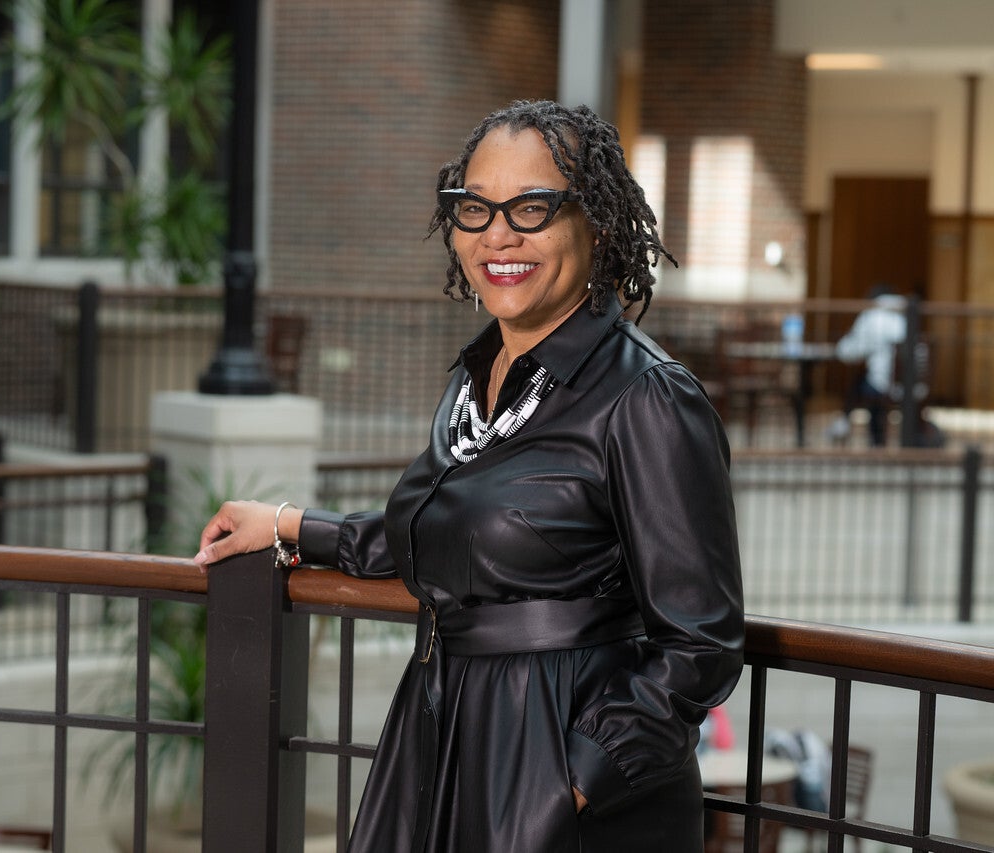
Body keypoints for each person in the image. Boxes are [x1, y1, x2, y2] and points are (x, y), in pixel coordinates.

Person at [195, 100, 744, 852]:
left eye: (532, 207)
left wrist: (578, 773)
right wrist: (290, 525)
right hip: (445, 734)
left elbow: (701, 641)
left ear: (599, 224)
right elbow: (447, 535)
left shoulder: (645, 396)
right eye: (475, 208)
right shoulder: (477, 377)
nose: (498, 234)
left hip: (565, 773)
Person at [827, 284, 908, 447]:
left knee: (860, 385)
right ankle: (845, 424)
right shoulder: (904, 317)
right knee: (862, 380)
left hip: (884, 384)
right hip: (909, 383)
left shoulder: (872, 316)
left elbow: (851, 351)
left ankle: (848, 426)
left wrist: (838, 349)